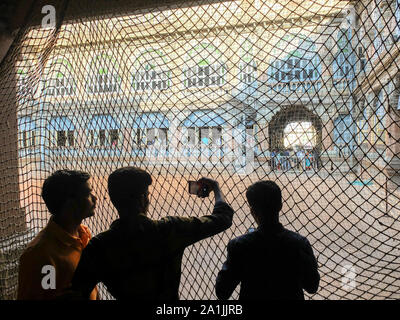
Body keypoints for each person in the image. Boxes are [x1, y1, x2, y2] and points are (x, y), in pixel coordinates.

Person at [70, 167, 234, 300]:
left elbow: (79, 290)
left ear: (114, 200)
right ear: (143, 198)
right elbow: (222, 219)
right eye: (147, 195)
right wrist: (216, 188)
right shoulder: (169, 229)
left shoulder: (99, 245)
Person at [215, 180, 319, 300]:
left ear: (252, 210)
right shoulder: (299, 243)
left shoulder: (240, 245)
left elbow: (222, 292)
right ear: (280, 205)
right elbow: (312, 287)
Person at [17, 170, 98, 300]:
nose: (95, 198)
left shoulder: (83, 233)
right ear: (69, 202)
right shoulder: (41, 255)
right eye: (88, 193)